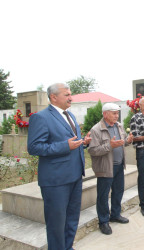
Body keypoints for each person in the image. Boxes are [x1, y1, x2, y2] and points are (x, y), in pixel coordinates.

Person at [27, 83, 91, 250]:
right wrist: (65, 146)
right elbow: (34, 147)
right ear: (54, 97)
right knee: (56, 224)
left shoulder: (70, 116)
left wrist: (83, 142)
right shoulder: (40, 117)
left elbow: (71, 142)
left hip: (75, 176)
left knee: (71, 219)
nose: (71, 97)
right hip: (56, 181)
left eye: (71, 94)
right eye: (66, 94)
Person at [88, 103, 133, 235]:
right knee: (103, 196)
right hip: (105, 168)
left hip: (119, 165)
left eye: (117, 113)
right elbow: (93, 150)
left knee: (118, 191)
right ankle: (103, 221)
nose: (116, 116)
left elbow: (122, 141)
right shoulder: (96, 129)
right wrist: (110, 145)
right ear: (105, 114)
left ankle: (115, 215)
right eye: (114, 113)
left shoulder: (119, 126)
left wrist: (128, 140)